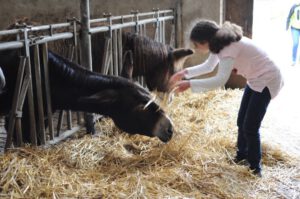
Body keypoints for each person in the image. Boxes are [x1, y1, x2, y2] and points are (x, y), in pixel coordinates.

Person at [169, 19, 284, 177]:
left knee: (250, 126)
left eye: (196, 45)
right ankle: (241, 156)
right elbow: (209, 66)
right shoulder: (221, 43)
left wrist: (189, 84)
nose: (196, 48)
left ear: (205, 41)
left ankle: (255, 168)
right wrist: (184, 73)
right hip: (255, 79)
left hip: (267, 80)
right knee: (241, 121)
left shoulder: (227, 48)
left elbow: (219, 80)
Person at [286, 1, 300, 66]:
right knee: (296, 43)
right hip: (295, 28)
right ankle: (293, 60)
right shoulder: (295, 6)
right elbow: (289, 16)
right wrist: (287, 26)